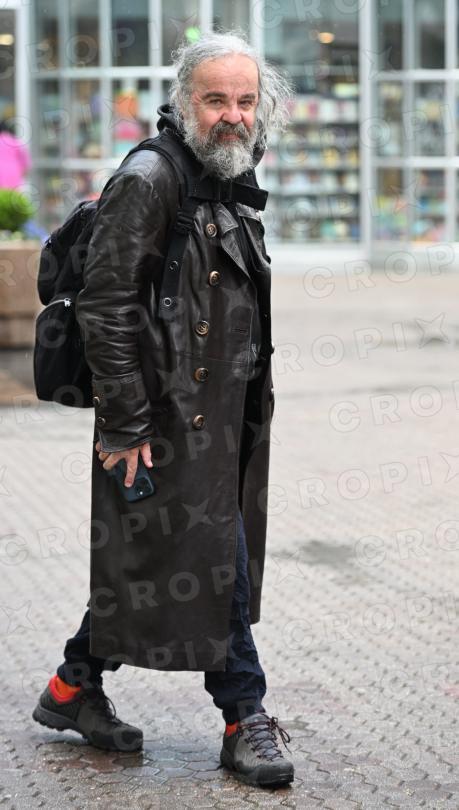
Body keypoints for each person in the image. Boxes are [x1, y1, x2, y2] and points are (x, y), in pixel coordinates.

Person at [32, 31, 294, 788]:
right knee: (217, 567)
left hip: (223, 417)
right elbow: (107, 305)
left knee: (160, 564)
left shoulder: (226, 175)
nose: (233, 115)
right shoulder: (150, 178)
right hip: (162, 423)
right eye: (216, 100)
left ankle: (72, 687)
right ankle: (244, 714)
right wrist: (124, 422)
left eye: (245, 101)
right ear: (184, 101)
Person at [0, 120, 31, 189]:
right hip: (14, 171)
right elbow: (25, 160)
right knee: (12, 193)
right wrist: (23, 172)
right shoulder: (15, 141)